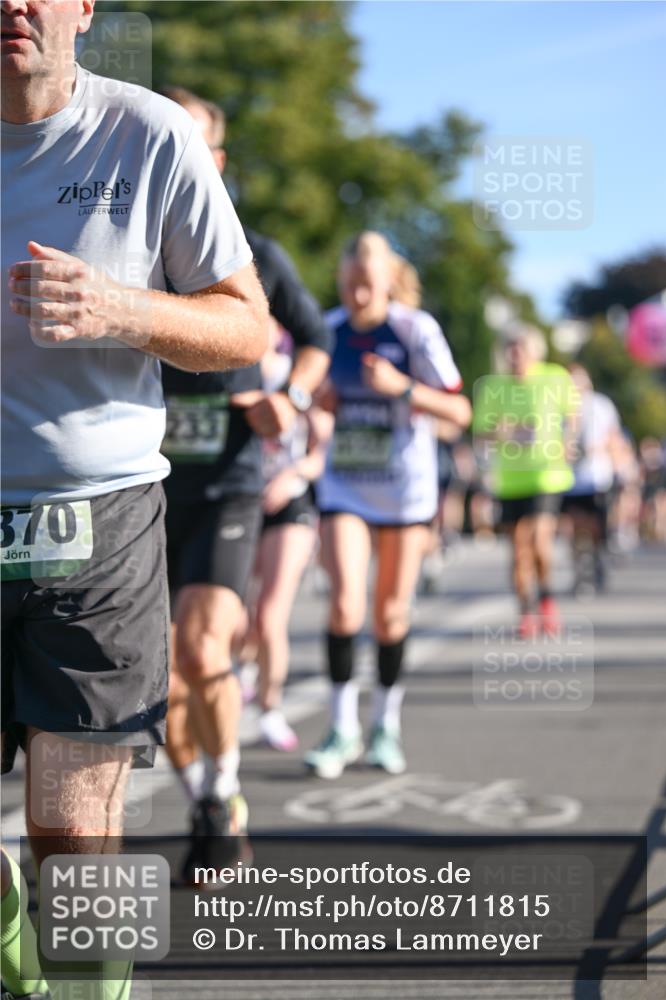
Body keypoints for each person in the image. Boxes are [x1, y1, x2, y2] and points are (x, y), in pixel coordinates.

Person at [1, 3, 268, 999]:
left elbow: (246, 328)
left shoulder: (147, 133)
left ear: (83, 8)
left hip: (96, 521)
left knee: (73, 834)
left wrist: (119, 308)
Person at [156, 87, 331, 854]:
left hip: (228, 481)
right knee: (157, 677)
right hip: (141, 488)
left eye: (189, 143)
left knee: (203, 648)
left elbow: (315, 337)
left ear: (217, 161)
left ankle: (224, 791)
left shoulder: (255, 252)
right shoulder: (128, 252)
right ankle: (203, 799)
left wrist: (289, 398)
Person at [304, 232, 471, 779]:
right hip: (346, 487)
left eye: (368, 285)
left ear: (389, 282)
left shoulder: (414, 330)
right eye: (349, 284)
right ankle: (340, 727)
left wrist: (402, 387)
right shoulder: (326, 330)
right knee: (344, 606)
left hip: (404, 490)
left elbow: (459, 412)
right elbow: (309, 402)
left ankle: (385, 725)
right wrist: (319, 403)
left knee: (391, 613)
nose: (357, 296)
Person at [239, 321, 332, 750]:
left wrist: (291, 476)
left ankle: (270, 708)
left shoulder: (300, 374)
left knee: (270, 614)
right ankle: (243, 672)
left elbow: (320, 453)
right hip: (240, 502)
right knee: (237, 615)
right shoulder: (231, 370)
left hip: (289, 503)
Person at [473, 327, 578, 637]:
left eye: (520, 346)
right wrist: (501, 432)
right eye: (510, 347)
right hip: (510, 479)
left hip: (546, 475)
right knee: (519, 549)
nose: (514, 353)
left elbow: (572, 414)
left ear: (535, 350)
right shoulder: (493, 386)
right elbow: (480, 433)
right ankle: (526, 611)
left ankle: (546, 600)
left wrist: (568, 441)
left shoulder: (555, 377)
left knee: (539, 542)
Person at [560, 364, 623, 595]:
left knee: (595, 527)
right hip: (568, 479)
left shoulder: (601, 405)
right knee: (573, 528)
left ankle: (597, 559)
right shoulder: (558, 406)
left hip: (597, 476)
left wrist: (615, 465)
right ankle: (580, 571)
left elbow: (614, 437)